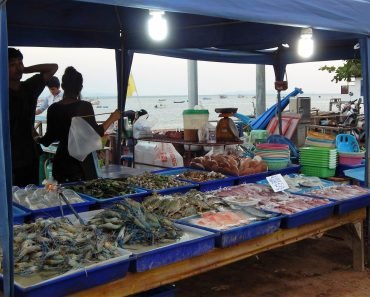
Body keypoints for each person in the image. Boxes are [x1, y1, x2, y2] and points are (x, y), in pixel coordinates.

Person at [38, 66, 121, 183]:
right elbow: (96, 134)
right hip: (81, 165)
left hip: (61, 163)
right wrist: (112, 118)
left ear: (62, 86)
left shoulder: (53, 108)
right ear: (81, 87)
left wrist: (35, 136)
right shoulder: (85, 106)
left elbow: (47, 140)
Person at [8, 47, 58, 186]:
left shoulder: (29, 87)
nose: (18, 67)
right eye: (13, 64)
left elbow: (53, 67)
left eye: (20, 63)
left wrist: (24, 69)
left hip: (29, 154)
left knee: (30, 194)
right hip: (8, 155)